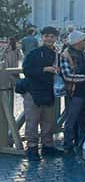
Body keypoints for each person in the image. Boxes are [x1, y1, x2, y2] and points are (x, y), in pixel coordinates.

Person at [22, 26, 60, 160]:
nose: (49, 39)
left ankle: (47, 146)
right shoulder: (34, 53)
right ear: (42, 37)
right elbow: (26, 70)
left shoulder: (56, 54)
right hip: (34, 91)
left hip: (48, 91)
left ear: (56, 38)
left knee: (48, 121)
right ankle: (31, 148)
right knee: (32, 121)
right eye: (47, 36)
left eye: (52, 36)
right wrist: (44, 69)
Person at [61, 31, 85, 152]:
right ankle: (67, 145)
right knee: (71, 120)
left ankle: (82, 144)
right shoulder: (65, 55)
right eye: (83, 40)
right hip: (74, 92)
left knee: (84, 121)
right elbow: (66, 76)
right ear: (78, 42)